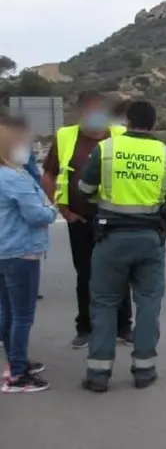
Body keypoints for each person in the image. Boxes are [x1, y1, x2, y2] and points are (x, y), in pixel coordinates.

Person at [77, 100, 166, 392]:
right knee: (148, 303)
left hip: (111, 238)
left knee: (104, 303)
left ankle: (98, 374)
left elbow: (84, 190)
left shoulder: (107, 149)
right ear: (154, 123)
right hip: (150, 239)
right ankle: (144, 371)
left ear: (126, 121)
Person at [40, 91, 132, 349]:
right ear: (80, 114)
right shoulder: (66, 137)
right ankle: (85, 327)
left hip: (117, 219)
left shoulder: (121, 135)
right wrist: (63, 210)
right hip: (80, 220)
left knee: (120, 273)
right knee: (86, 275)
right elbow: (48, 176)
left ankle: (123, 327)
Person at [0, 116, 58, 393]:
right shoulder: (15, 179)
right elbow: (36, 216)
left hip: (3, 251)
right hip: (21, 252)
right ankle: (17, 374)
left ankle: (16, 360)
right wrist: (53, 209)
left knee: (7, 311)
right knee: (22, 315)